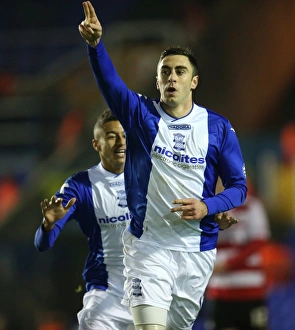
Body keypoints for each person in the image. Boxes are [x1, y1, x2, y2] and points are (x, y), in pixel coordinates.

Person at [78, 2, 247, 329]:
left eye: (180, 71)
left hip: (196, 253)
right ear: (157, 82)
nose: (172, 77)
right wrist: (96, 46)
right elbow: (111, 84)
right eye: (165, 71)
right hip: (149, 248)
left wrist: (207, 206)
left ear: (193, 81)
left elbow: (239, 188)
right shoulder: (140, 115)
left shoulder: (218, 127)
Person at [34, 109, 135, 330]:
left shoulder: (148, 176)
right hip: (107, 295)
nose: (120, 142)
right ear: (96, 144)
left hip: (153, 290)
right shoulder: (80, 185)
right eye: (111, 136)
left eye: (124, 135)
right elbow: (43, 243)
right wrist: (49, 224)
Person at [200, 179, 271, 330]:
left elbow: (259, 241)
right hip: (219, 290)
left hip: (250, 288)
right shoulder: (206, 208)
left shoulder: (251, 205)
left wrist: (228, 264)